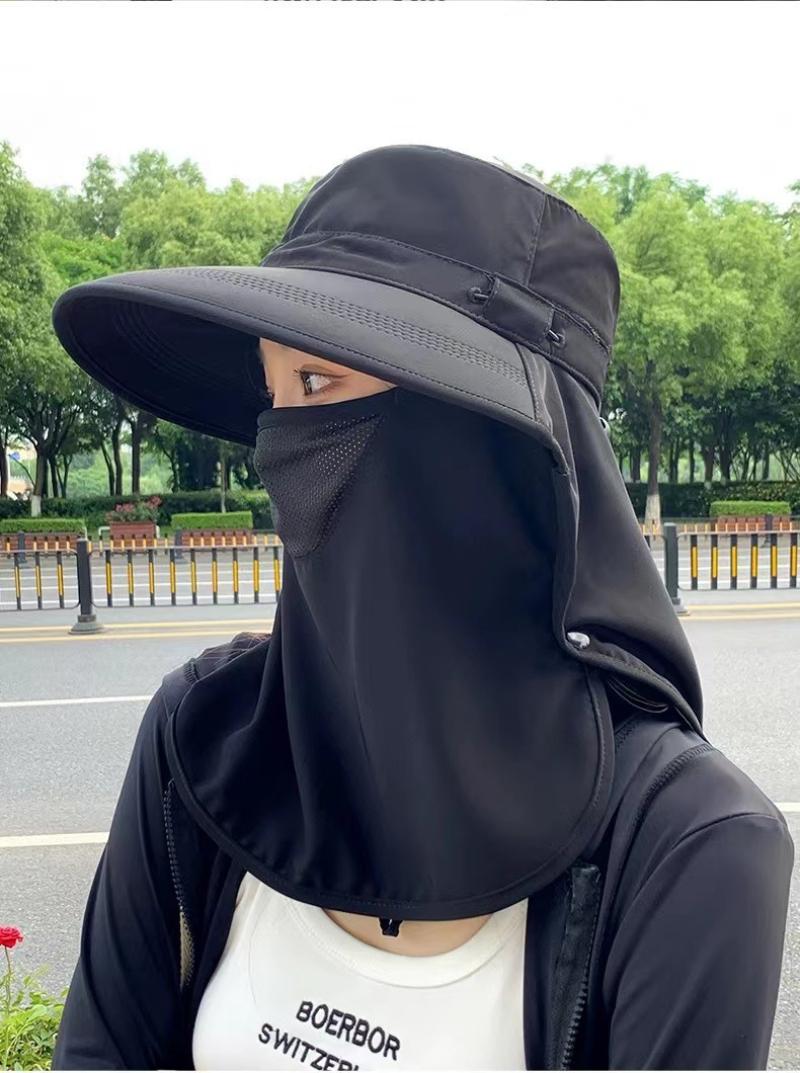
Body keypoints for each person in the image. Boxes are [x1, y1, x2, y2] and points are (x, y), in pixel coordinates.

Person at [49, 144, 793, 1070]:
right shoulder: (206, 739)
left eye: (316, 384)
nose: (279, 443)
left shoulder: (687, 842)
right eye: (271, 392)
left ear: (477, 439)